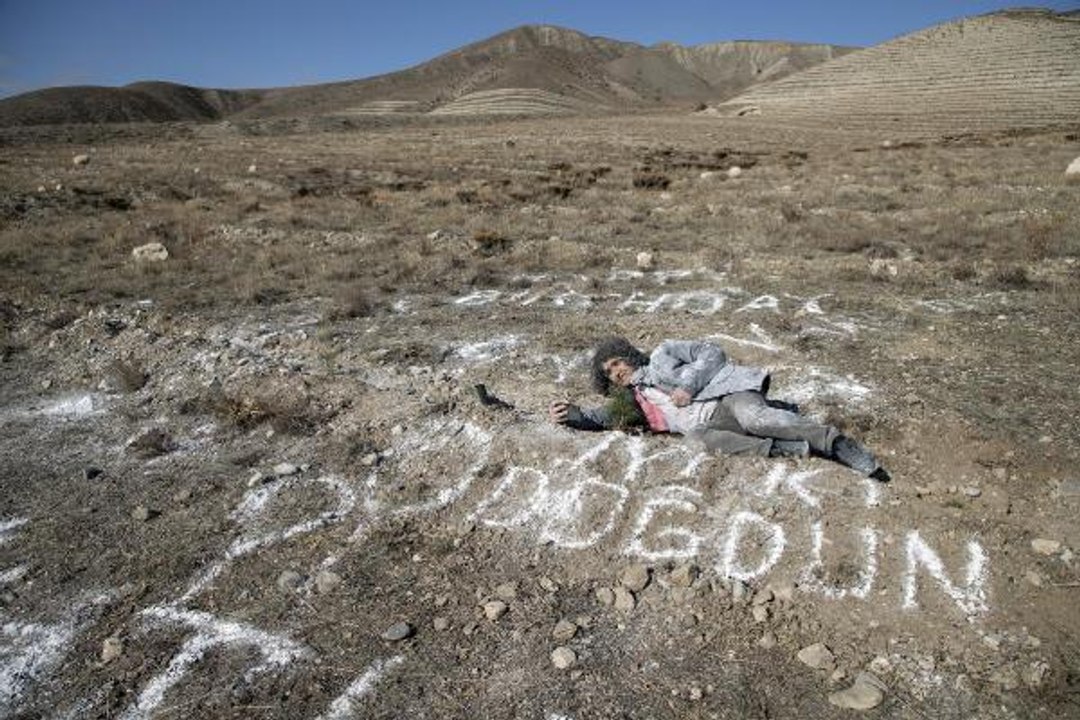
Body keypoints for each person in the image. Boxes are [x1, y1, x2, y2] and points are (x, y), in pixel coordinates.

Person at [549, 337, 888, 481]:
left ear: (629, 355)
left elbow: (712, 353)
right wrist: (576, 415)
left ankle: (837, 443)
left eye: (616, 362)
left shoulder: (663, 355)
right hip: (713, 426)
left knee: (755, 417)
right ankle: (785, 449)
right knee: (695, 440)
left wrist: (688, 386)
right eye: (607, 371)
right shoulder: (632, 402)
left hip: (729, 395)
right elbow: (605, 418)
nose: (615, 371)